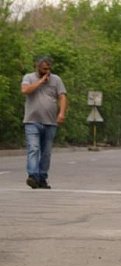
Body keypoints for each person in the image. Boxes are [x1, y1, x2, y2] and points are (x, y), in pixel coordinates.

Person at [21, 55, 67, 190]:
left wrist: (61, 113)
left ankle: (42, 178)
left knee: (46, 152)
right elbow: (25, 90)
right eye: (44, 69)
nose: (47, 71)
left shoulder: (56, 80)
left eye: (48, 69)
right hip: (32, 121)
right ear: (37, 67)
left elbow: (62, 96)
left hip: (50, 122)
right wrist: (40, 81)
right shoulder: (28, 77)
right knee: (33, 148)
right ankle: (33, 176)